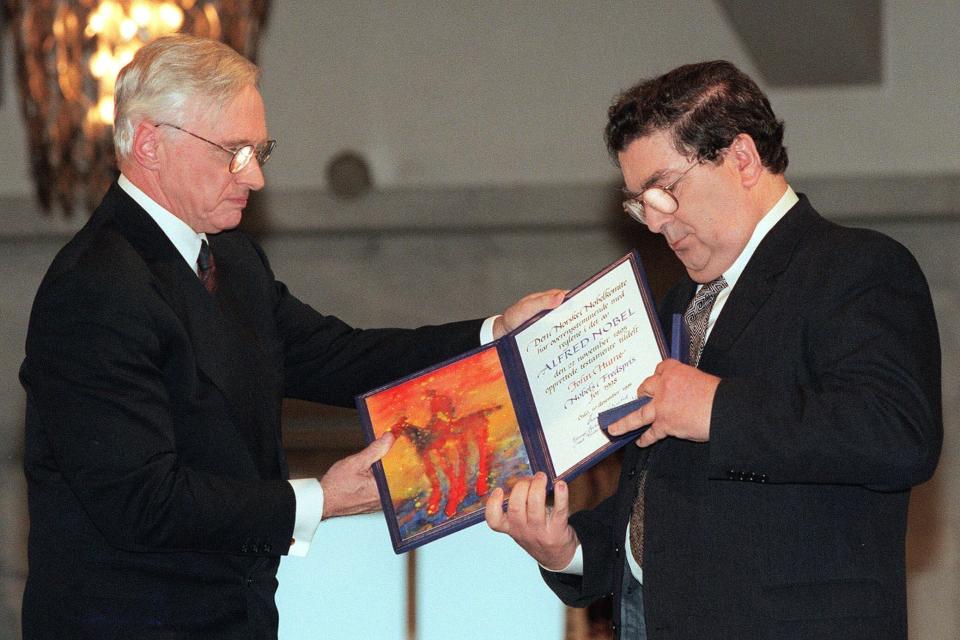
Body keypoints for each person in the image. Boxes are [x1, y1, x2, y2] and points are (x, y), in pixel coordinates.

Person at [19, 34, 562, 640]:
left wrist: (496, 334)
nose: (254, 178)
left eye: (259, 151)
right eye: (233, 152)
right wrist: (321, 500)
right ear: (149, 144)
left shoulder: (233, 260)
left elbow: (341, 356)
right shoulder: (95, 288)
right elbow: (144, 502)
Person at [486, 60, 942, 639]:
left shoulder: (857, 267)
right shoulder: (677, 302)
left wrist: (715, 409)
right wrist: (568, 548)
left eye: (664, 190)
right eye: (638, 202)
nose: (653, 220)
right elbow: (662, 496)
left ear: (742, 159)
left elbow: (899, 434)